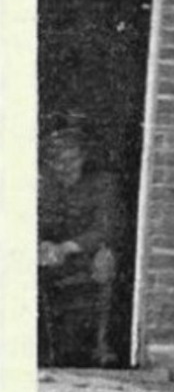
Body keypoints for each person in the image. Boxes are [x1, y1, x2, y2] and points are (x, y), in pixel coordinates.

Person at [38, 113, 127, 368]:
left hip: (85, 255)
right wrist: (42, 244)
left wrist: (66, 247)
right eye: (56, 158)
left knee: (106, 260)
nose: (63, 165)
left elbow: (107, 228)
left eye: (70, 157)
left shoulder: (103, 184)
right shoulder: (44, 186)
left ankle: (102, 344)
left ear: (83, 156)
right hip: (49, 256)